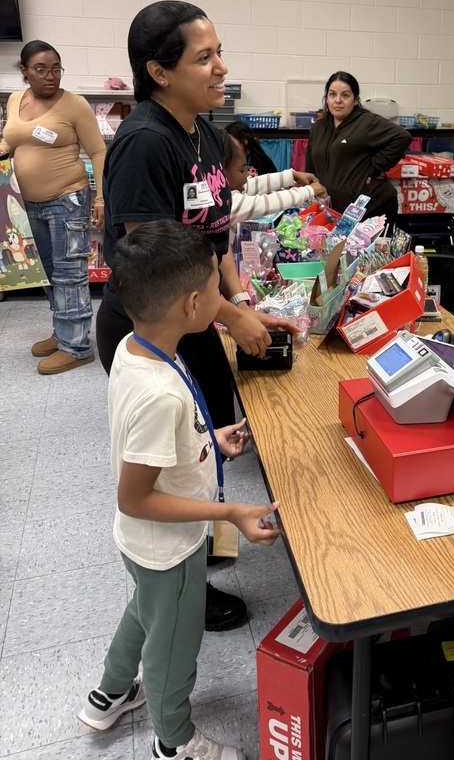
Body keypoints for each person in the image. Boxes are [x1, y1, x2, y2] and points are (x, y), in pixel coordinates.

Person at [96, 0, 297, 633]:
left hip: (197, 318)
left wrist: (237, 304)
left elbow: (212, 239)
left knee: (204, 450)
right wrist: (231, 321)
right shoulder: (144, 145)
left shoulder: (204, 133)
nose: (221, 69)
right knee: (174, 467)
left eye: (219, 53)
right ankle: (183, 589)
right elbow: (157, 270)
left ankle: (203, 557)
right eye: (204, 57)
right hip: (153, 330)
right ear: (159, 71)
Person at [78, 220, 279, 760]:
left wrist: (208, 439)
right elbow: (135, 495)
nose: (223, 295)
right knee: (173, 645)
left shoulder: (134, 346)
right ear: (194, 304)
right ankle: (174, 739)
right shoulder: (159, 394)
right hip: (169, 546)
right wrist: (233, 510)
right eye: (217, 285)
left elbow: (156, 444)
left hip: (144, 545)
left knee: (144, 612)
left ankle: (110, 694)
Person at [0, 40, 105, 374]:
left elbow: (98, 152)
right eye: (41, 69)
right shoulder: (16, 100)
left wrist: (100, 198)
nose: (50, 76)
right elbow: (11, 139)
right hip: (25, 203)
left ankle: (77, 347)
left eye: (56, 68)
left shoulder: (74, 105)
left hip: (67, 200)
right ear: (24, 72)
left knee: (69, 274)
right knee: (45, 273)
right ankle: (63, 332)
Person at [305, 71, 411, 229]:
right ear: (326, 98)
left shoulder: (365, 122)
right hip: (335, 212)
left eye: (345, 95)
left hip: (372, 208)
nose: (338, 101)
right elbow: (311, 169)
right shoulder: (318, 127)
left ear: (356, 100)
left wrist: (375, 167)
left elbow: (402, 136)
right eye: (332, 94)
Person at [223, 133, 326, 223]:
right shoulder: (226, 202)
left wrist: (291, 176)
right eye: (241, 170)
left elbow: (249, 185)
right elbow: (263, 203)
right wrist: (308, 191)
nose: (247, 175)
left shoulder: (223, 189)